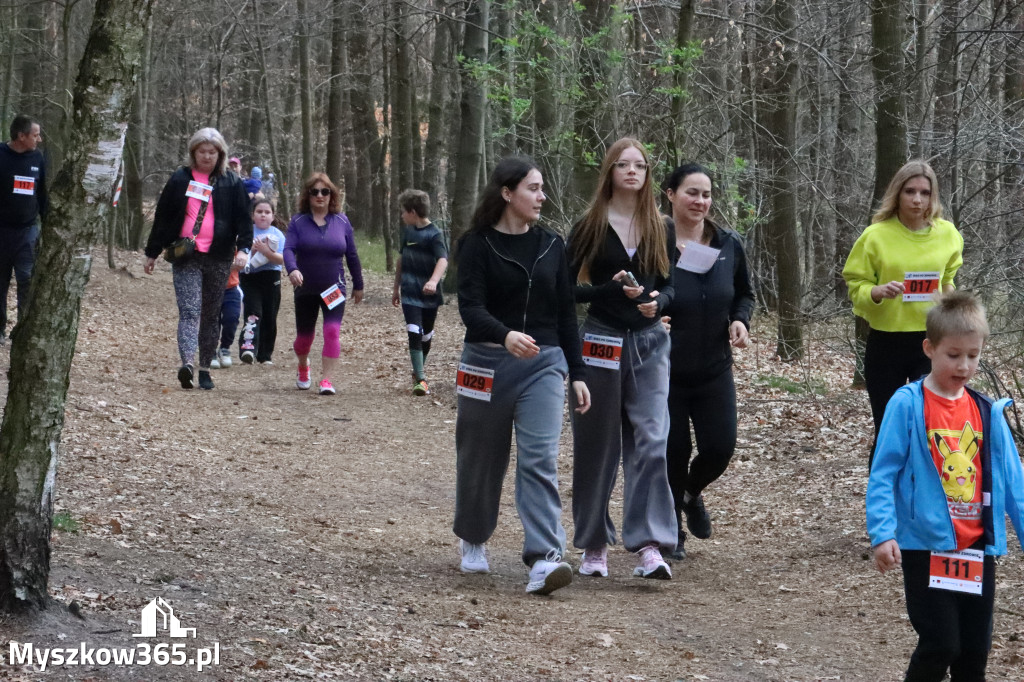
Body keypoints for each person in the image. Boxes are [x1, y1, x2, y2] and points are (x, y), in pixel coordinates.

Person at [867, 291, 1024, 681]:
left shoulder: (987, 411)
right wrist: (883, 532)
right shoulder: (907, 404)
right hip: (925, 543)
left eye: (973, 355)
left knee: (973, 653)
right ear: (929, 348)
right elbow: (884, 472)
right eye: (953, 355)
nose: (964, 365)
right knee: (940, 644)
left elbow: (1013, 481)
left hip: (977, 546)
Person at [453, 156, 591, 596]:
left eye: (542, 188)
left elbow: (567, 315)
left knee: (540, 458)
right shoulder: (475, 244)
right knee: (480, 455)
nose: (541, 196)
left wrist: (578, 372)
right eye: (533, 188)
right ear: (507, 193)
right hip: (485, 361)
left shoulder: (553, 245)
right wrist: (505, 333)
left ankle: (545, 558)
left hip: (544, 364)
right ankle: (473, 536)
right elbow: (470, 308)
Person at [567, 137, 677, 580]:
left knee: (652, 440)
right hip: (600, 341)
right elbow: (568, 291)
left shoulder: (660, 225)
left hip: (650, 342)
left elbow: (671, 285)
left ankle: (649, 544)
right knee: (598, 444)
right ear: (609, 171)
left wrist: (658, 304)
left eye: (641, 165)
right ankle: (594, 545)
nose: (633, 172)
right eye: (623, 164)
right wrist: (609, 291)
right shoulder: (589, 225)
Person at [661, 163, 754, 560]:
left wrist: (739, 320)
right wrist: (651, 315)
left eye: (706, 194)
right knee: (672, 452)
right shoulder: (653, 241)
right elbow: (638, 293)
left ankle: (690, 493)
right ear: (670, 194)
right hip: (665, 369)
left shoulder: (727, 243)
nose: (701, 201)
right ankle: (670, 532)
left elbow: (745, 295)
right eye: (692, 193)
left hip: (714, 367)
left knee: (720, 447)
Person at [843, 160, 963, 459]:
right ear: (897, 193)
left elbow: (948, 280)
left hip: (932, 342)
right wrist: (877, 292)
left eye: (925, 192)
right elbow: (855, 284)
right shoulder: (875, 235)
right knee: (889, 429)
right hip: (887, 343)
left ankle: (926, 500)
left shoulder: (948, 234)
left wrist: (948, 303)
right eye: (910, 191)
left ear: (933, 196)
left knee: (930, 428)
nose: (917, 199)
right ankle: (882, 503)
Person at [144, 127, 251, 390]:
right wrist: (152, 252)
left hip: (219, 256)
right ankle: (187, 364)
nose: (206, 156)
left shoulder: (231, 182)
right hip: (186, 255)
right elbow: (163, 216)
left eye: (211, 152)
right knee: (190, 311)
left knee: (211, 313)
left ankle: (205, 367)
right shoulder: (180, 178)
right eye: (202, 151)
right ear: (194, 153)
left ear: (220, 154)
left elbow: (243, 219)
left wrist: (244, 249)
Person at [283, 173, 364, 395]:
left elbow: (352, 255)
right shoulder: (298, 221)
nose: (320, 196)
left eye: (325, 192)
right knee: (304, 339)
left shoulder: (342, 221)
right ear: (307, 196)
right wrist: (293, 269)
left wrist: (359, 284)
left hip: (333, 288)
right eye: (315, 192)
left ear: (332, 195)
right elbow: (288, 249)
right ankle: (303, 366)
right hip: (306, 288)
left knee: (331, 331)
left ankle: (327, 380)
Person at [391, 189, 448, 396]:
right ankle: (421, 379)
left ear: (413, 211)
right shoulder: (407, 233)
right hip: (409, 292)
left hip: (429, 295)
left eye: (403, 212)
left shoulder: (435, 234)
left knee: (426, 335)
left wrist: (433, 281)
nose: (401, 216)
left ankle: (417, 371)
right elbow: (401, 259)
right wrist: (396, 287)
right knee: (414, 330)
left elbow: (443, 259)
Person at [0, 114, 47, 343]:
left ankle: (23, 331)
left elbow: (43, 193)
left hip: (28, 231)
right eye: (35, 135)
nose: (39, 139)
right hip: (2, 231)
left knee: (27, 279)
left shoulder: (37, 158)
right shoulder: (1, 154)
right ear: (21, 136)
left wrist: (46, 224)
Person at [238, 198, 285, 364]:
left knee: (270, 315)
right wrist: (250, 249)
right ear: (252, 215)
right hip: (249, 277)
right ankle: (248, 347)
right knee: (253, 312)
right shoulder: (246, 232)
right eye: (259, 212)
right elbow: (238, 254)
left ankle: (265, 355)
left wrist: (267, 252)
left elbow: (282, 259)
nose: (263, 215)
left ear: (273, 216)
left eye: (267, 212)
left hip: (271, 277)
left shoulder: (277, 234)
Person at [209, 259, 242, 369]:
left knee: (232, 317)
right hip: (210, 287)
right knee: (212, 320)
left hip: (231, 288)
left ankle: (225, 348)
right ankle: (210, 351)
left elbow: (242, 263)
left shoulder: (235, 244)